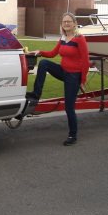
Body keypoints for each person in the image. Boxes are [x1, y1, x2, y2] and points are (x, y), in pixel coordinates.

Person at [27, 12, 89, 146]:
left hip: (73, 76)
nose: (66, 24)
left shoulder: (79, 38)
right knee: (43, 63)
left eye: (69, 21)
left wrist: (82, 81)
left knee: (69, 107)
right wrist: (39, 52)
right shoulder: (63, 38)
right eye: (64, 22)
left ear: (74, 23)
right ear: (61, 24)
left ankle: (73, 135)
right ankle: (36, 93)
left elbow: (85, 60)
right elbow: (53, 53)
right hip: (63, 71)